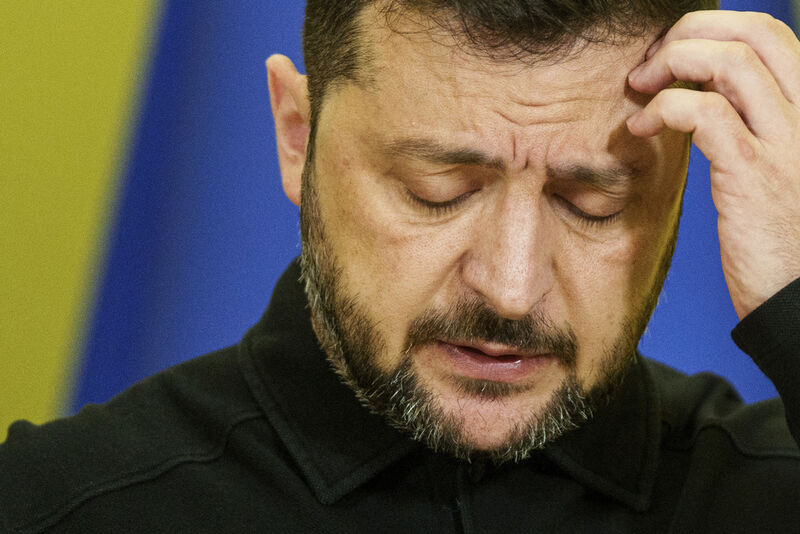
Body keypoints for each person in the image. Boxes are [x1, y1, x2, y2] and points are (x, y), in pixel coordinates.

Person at [2, 0, 799, 532]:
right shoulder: (53, 508)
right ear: (295, 134)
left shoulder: (768, 494)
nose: (512, 286)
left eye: (593, 203)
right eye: (438, 191)